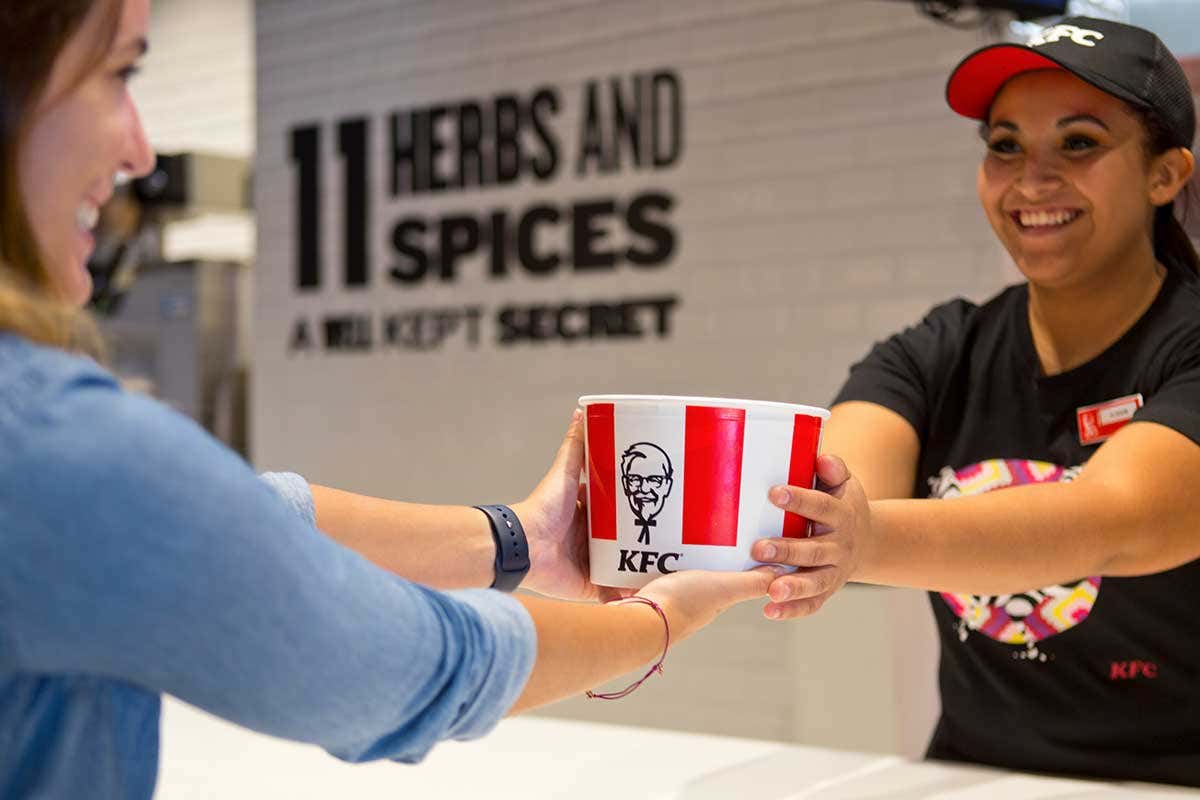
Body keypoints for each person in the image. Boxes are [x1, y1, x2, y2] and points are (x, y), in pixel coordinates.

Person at [0, 2, 779, 797]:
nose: (139, 148)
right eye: (120, 72)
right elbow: (409, 665)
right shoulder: (49, 447)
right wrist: (656, 622)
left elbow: (219, 521)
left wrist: (518, 541)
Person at [749, 16, 1200, 787]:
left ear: (1166, 175)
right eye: (1004, 146)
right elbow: (835, 488)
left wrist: (853, 538)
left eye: (1080, 143)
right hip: (974, 777)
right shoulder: (939, 349)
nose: (1032, 180)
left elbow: (1113, 521)